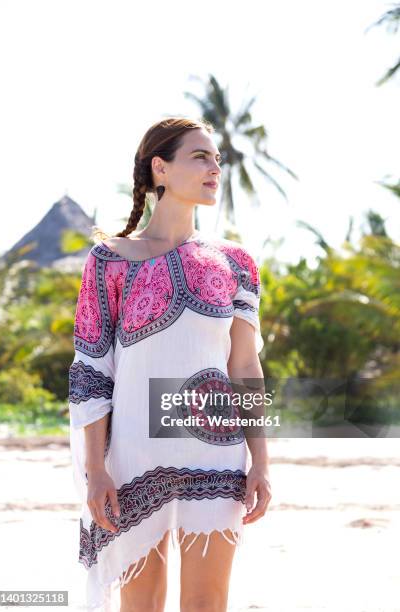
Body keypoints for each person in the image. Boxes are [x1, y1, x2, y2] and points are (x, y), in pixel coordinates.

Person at [68, 116, 272, 612]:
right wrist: (95, 468)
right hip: (135, 455)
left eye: (217, 159)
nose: (214, 169)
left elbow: (245, 366)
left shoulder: (236, 262)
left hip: (217, 451)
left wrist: (261, 461)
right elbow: (92, 371)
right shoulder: (110, 260)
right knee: (143, 603)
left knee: (207, 602)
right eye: (200, 157)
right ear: (160, 169)